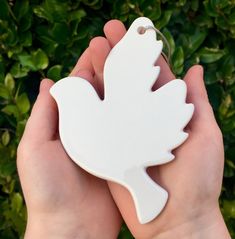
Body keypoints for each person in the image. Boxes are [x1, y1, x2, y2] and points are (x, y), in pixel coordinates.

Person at [17, 19, 231, 239]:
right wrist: (193, 227)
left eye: (69, 96)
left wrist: (57, 228)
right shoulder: (80, 136)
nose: (60, 97)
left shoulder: (89, 129)